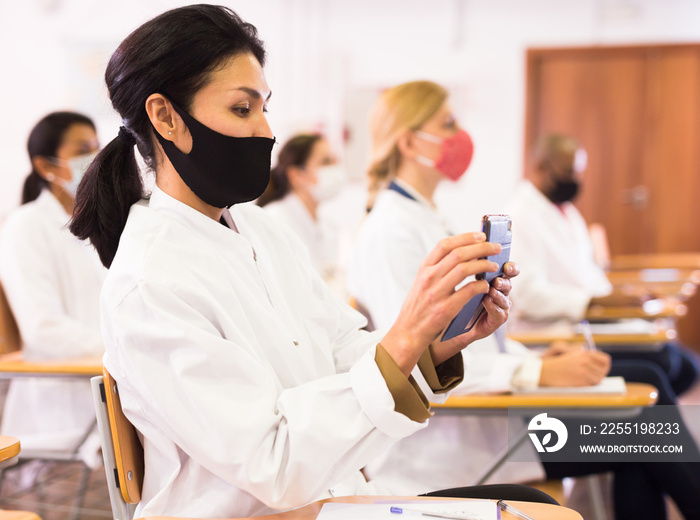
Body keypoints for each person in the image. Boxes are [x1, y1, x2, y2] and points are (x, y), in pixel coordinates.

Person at [67, 6, 522, 518]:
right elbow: (272, 463)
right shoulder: (149, 282)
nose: (266, 130)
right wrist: (402, 341)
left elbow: (343, 348)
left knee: (525, 505)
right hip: (266, 512)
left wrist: (433, 338)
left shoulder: (261, 229)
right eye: (243, 109)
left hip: (331, 499)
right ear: (165, 116)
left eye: (265, 107)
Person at [345, 80, 700, 520]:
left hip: (496, 425)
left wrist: (530, 355)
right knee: (646, 431)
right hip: (450, 446)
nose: (461, 135)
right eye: (449, 123)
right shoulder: (390, 233)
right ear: (409, 140)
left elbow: (473, 335)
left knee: (643, 429)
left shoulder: (430, 216)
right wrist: (536, 370)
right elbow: (416, 358)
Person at [509, 133, 699, 397]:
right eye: (567, 172)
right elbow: (529, 296)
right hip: (554, 335)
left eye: (578, 173)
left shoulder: (567, 213)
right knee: (660, 367)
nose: (575, 181)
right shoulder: (519, 218)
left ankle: (632, 436)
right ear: (540, 167)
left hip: (589, 324)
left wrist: (625, 298)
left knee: (686, 366)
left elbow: (590, 273)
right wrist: (595, 301)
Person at [0, 111, 105, 463]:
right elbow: (43, 329)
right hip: (64, 398)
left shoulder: (94, 222)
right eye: (82, 149)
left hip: (105, 381)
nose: (95, 157)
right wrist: (122, 349)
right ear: (46, 166)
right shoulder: (25, 225)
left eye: (96, 146)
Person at [257, 133, 345, 290]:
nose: (334, 168)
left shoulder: (328, 224)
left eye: (334, 160)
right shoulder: (274, 219)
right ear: (296, 175)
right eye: (325, 162)